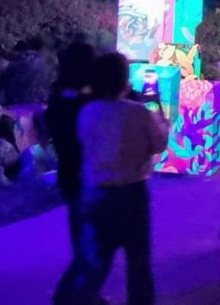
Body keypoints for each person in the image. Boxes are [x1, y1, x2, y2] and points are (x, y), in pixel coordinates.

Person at [54, 52, 169, 305]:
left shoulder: (88, 112)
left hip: (96, 192)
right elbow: (159, 144)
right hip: (133, 191)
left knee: (97, 257)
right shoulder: (138, 112)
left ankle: (80, 299)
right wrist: (162, 122)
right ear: (124, 80)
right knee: (138, 260)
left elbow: (85, 144)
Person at [44, 40, 96, 255]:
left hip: (68, 171)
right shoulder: (93, 102)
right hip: (93, 171)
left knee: (78, 220)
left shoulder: (57, 100)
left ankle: (82, 262)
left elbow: (51, 128)